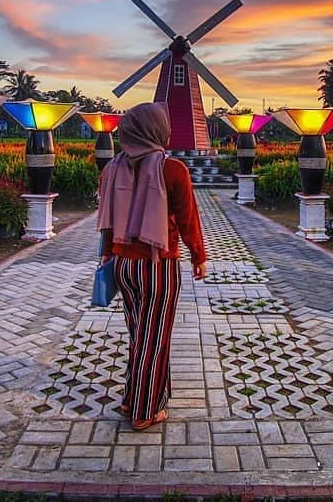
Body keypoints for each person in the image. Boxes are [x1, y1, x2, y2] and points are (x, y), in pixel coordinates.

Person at [97, 102, 208, 430]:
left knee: (140, 336)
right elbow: (188, 220)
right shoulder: (172, 169)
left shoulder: (112, 168)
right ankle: (145, 412)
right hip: (158, 266)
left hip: (122, 265)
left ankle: (136, 397)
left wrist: (106, 252)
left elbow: (106, 218)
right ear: (157, 129)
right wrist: (198, 255)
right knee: (154, 339)